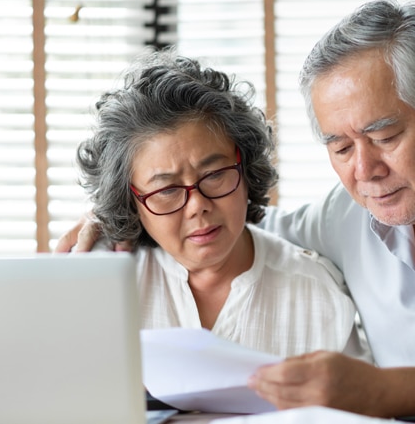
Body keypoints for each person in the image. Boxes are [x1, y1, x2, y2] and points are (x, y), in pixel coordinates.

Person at [57, 0, 415, 418]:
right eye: (339, 147)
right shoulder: (350, 212)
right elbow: (235, 226)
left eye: (384, 136)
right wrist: (119, 217)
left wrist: (373, 392)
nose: (364, 171)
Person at [72, 47, 370, 360]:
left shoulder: (316, 293)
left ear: (245, 168)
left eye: (214, 174)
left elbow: (349, 404)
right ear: (132, 201)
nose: (196, 205)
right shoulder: (103, 283)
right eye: (167, 190)